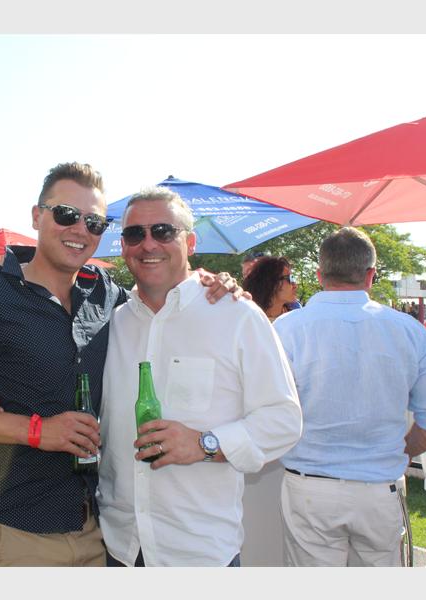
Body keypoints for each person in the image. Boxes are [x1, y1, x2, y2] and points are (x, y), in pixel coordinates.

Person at [0, 162, 240, 567]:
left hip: (96, 530)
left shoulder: (106, 295)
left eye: (94, 222)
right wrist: (38, 430)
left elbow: (162, 295)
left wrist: (204, 280)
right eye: (66, 214)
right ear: (37, 216)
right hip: (12, 527)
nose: (80, 229)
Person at [96, 188, 302, 567]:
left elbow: (283, 420)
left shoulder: (237, 315)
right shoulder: (113, 322)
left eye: (163, 231)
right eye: (134, 234)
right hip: (119, 546)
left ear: (189, 243)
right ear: (123, 246)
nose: (148, 244)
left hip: (199, 552)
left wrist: (205, 443)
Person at [273, 227, 426, 567]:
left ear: (320, 274)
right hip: (378, 488)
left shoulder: (287, 329)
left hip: (311, 489)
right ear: (370, 275)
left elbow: (269, 410)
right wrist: (397, 450)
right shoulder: (407, 330)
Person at [243, 256, 299, 321]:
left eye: (292, 277)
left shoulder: (296, 316)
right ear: (271, 283)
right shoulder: (250, 318)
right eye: (289, 278)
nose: (295, 285)